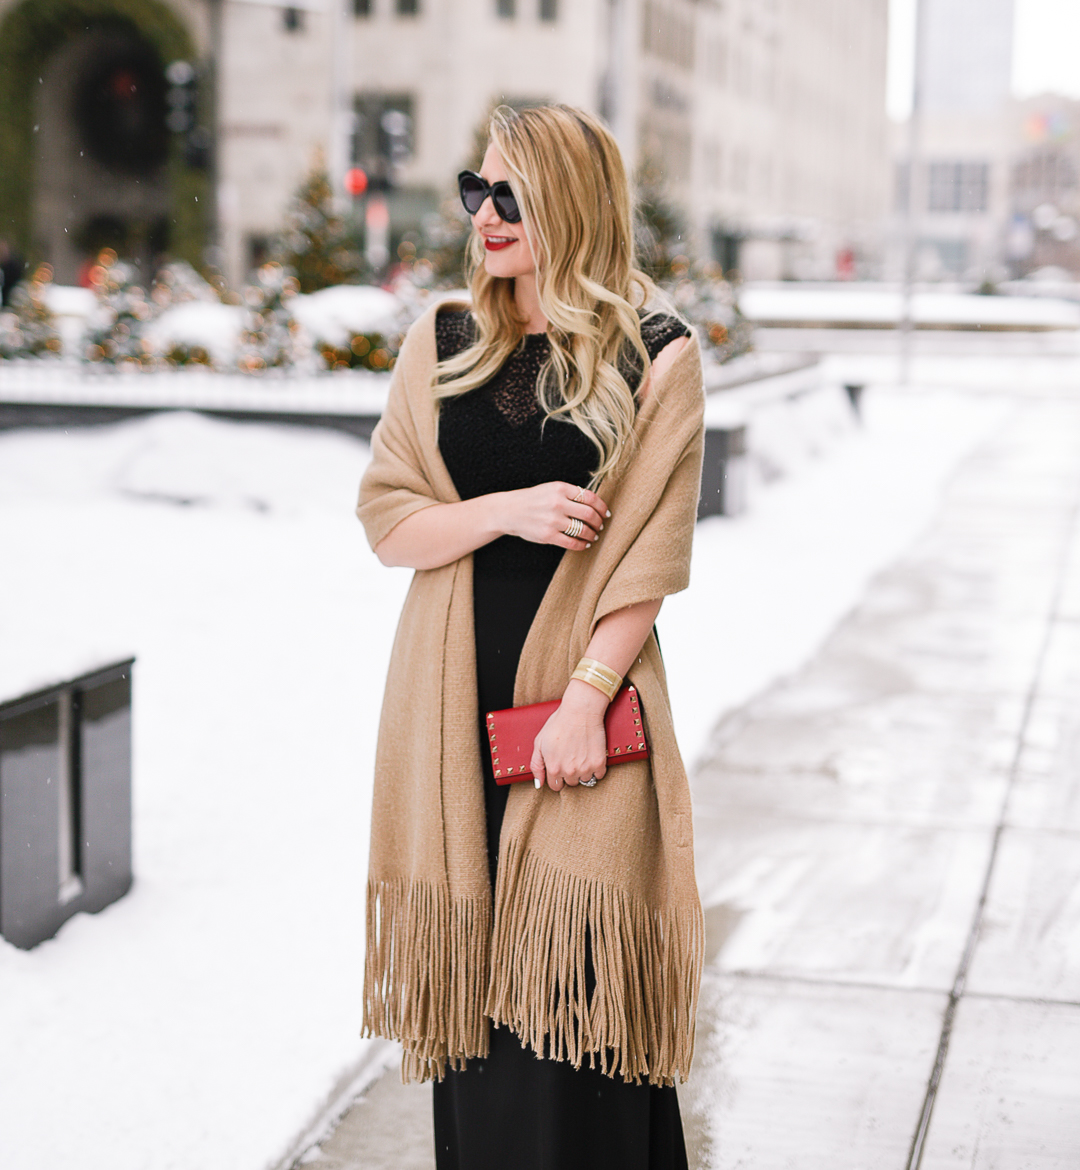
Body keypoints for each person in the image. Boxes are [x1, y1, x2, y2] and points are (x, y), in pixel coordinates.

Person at [357, 104, 705, 1170]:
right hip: (452, 706)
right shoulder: (446, 338)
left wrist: (590, 702)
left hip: (579, 721)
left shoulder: (657, 355)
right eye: (478, 190)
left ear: (572, 202)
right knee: (481, 1031)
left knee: (574, 1017)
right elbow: (389, 518)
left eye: (511, 194)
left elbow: (648, 560)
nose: (486, 214)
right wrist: (504, 511)